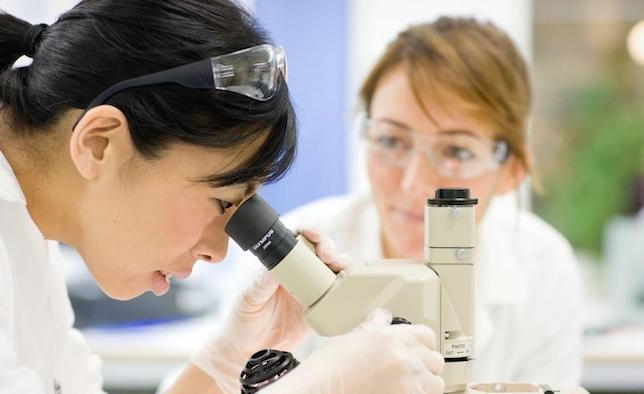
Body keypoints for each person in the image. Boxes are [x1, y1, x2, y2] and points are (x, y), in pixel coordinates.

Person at [0, 1, 445, 393]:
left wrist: (227, 361)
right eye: (223, 202)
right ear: (99, 143)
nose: (218, 250)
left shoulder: (24, 219)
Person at [228, 16, 584, 387]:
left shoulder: (543, 267)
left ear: (511, 169)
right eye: (392, 141)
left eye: (457, 151)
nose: (415, 184)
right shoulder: (289, 261)